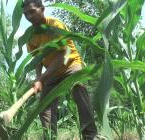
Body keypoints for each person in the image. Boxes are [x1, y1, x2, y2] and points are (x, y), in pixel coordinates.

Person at [22, 0, 98, 139]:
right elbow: (37, 59)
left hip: (70, 64)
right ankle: (50, 136)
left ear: (42, 9)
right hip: (51, 72)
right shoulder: (30, 35)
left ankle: (90, 135)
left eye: (32, 11)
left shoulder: (55, 25)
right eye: (25, 14)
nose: (29, 16)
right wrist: (38, 78)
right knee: (44, 105)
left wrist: (42, 78)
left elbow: (62, 56)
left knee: (79, 90)